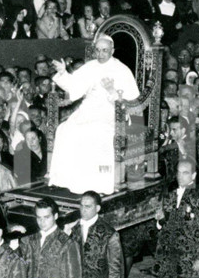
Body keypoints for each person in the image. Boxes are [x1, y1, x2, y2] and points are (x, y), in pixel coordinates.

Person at [48, 35, 139, 194]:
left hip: (111, 112)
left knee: (96, 133)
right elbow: (75, 86)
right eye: (97, 50)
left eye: (104, 50)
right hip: (88, 108)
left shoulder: (122, 70)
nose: (100, 54)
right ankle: (67, 179)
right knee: (64, 129)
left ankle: (99, 183)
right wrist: (63, 73)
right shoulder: (90, 66)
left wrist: (112, 91)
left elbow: (131, 102)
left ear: (112, 50)